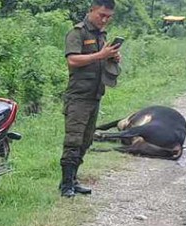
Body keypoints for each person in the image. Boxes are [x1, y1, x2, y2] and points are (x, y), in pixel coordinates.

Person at [59, 0, 122, 198]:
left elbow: (100, 58)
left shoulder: (101, 35)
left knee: (86, 141)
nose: (104, 20)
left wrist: (111, 57)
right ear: (91, 10)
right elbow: (73, 60)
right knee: (73, 140)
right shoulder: (77, 33)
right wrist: (100, 55)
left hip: (95, 95)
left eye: (108, 17)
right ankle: (66, 185)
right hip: (78, 97)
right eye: (101, 15)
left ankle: (73, 179)